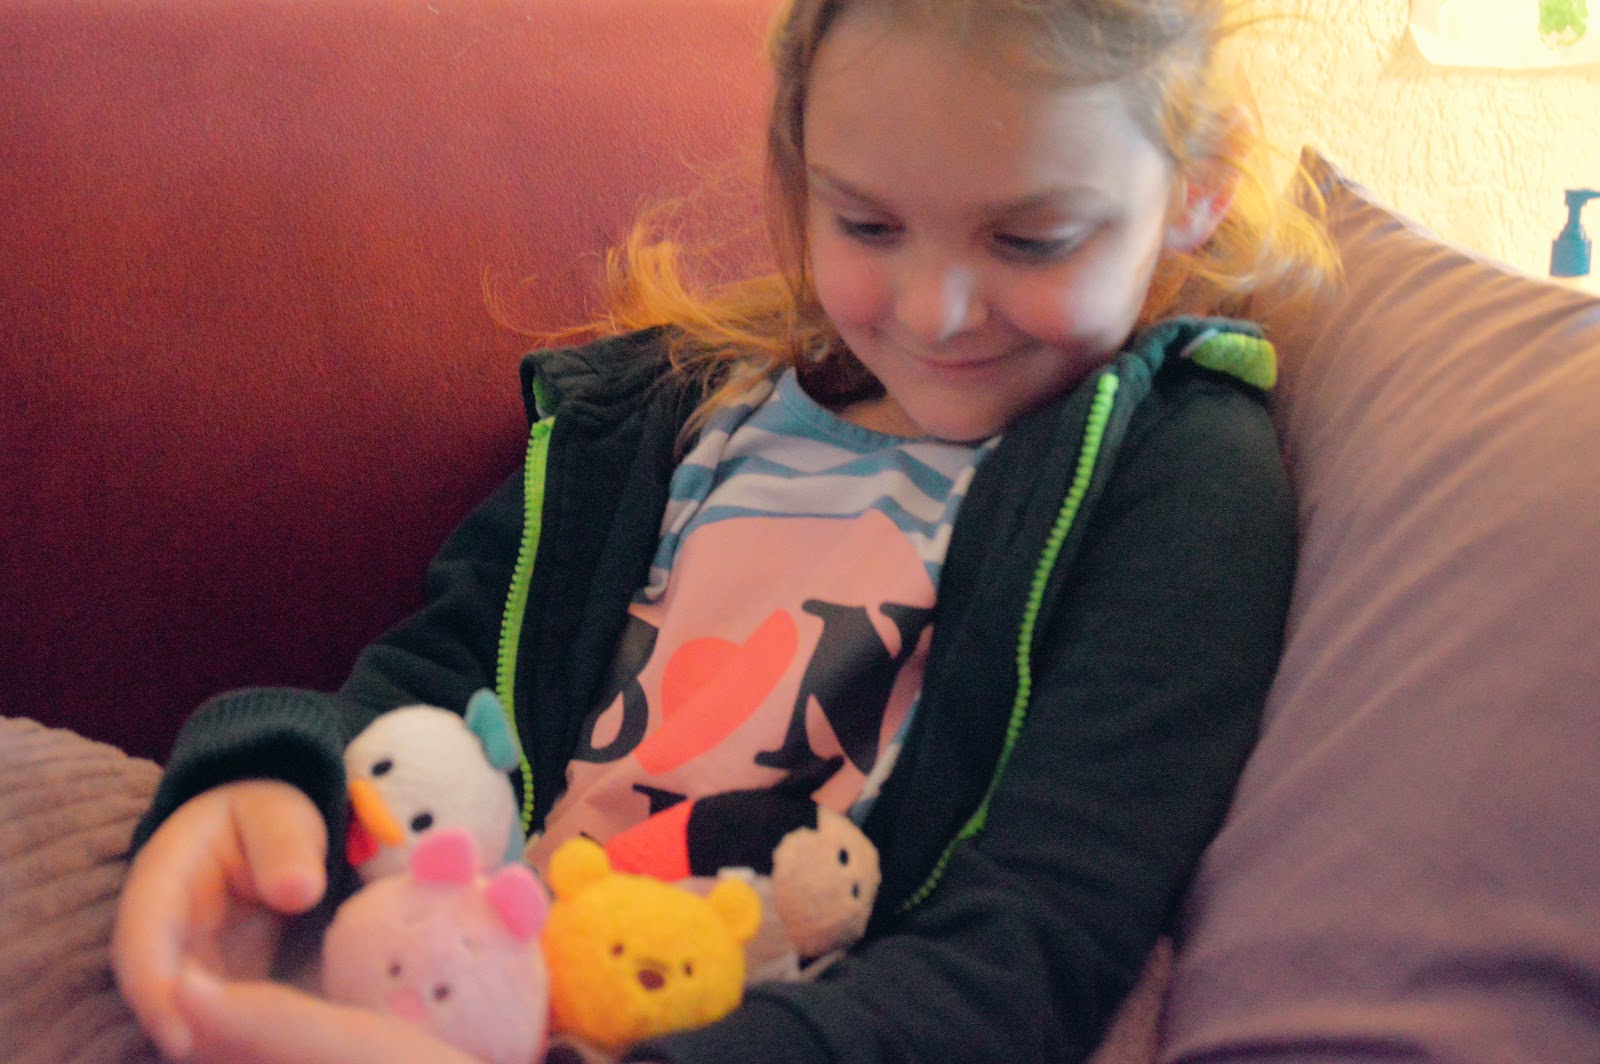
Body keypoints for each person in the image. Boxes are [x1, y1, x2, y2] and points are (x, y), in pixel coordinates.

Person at [111, 0, 1336, 1061]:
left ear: (1200, 181)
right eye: (866, 225)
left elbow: (1032, 938)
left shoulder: (1178, 476)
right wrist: (260, 781)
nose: (934, 309)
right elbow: (429, 691)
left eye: (1029, 239)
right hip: (445, 963)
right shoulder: (656, 420)